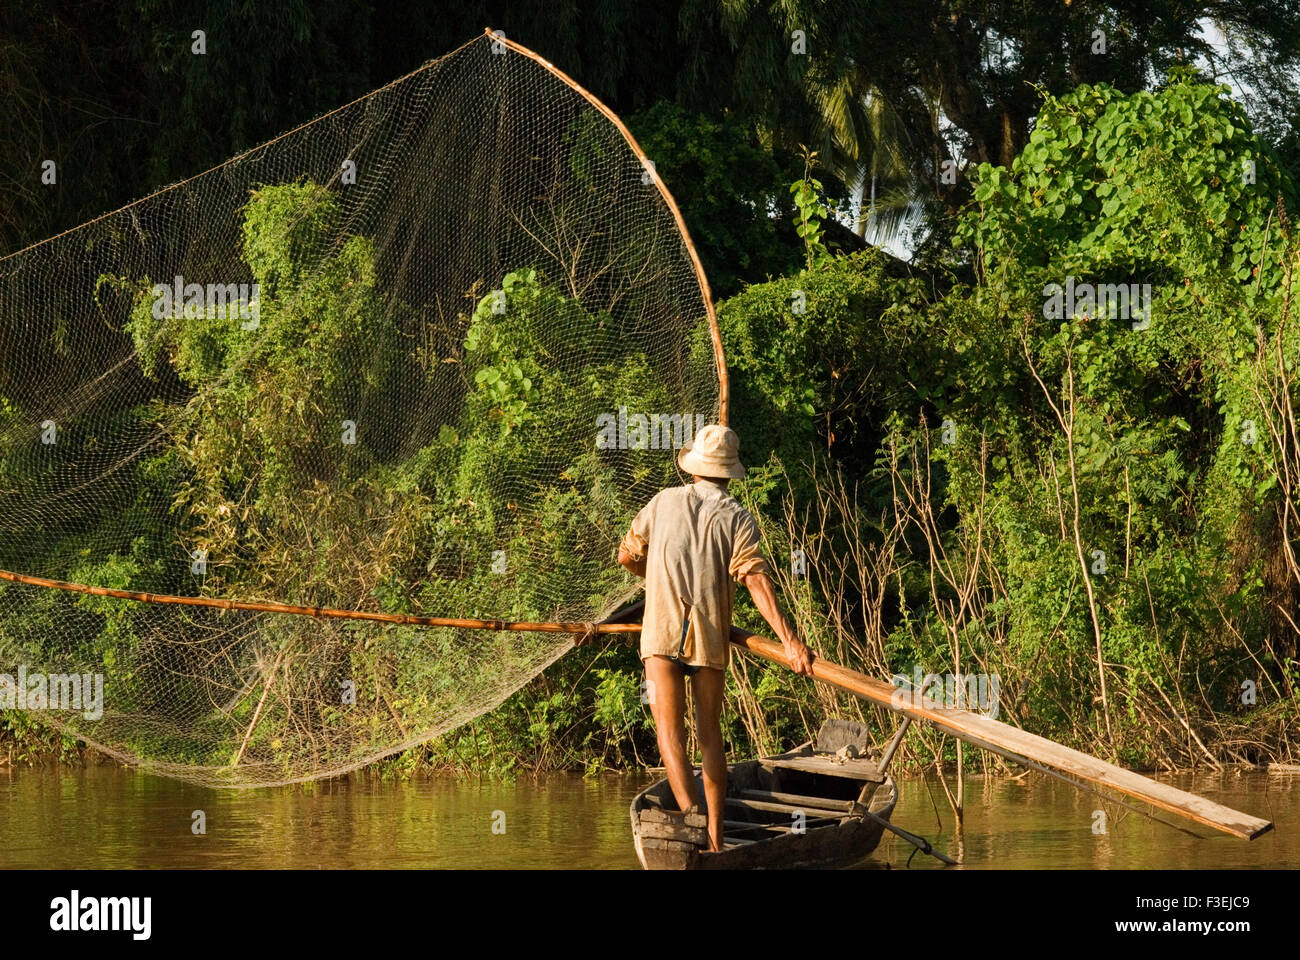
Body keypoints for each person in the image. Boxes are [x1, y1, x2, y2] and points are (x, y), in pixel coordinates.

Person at [615, 423, 813, 852]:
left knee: (669, 732)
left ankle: (690, 819)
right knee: (709, 735)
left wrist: (657, 581)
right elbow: (755, 581)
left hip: (661, 631)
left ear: (694, 468)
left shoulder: (662, 501)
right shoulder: (737, 517)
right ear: (729, 472)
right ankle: (716, 839)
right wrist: (790, 640)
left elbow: (626, 555)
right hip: (708, 634)